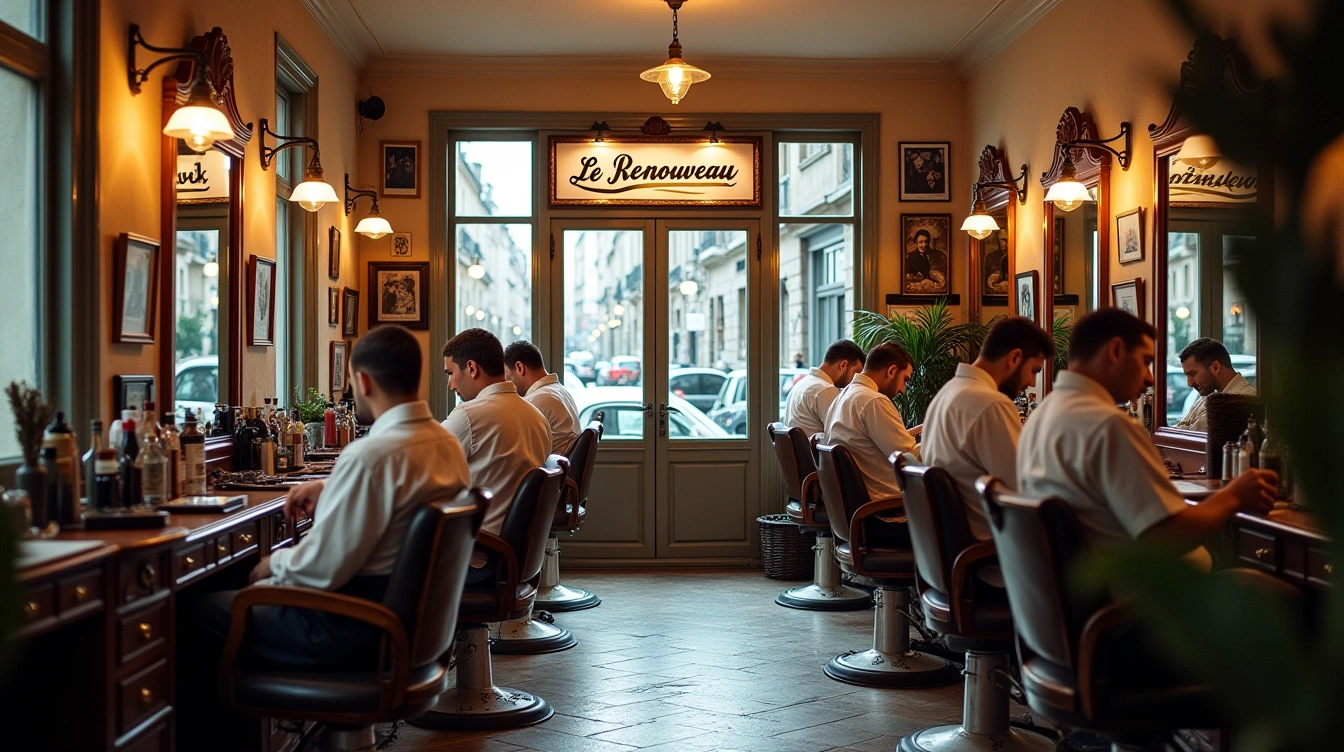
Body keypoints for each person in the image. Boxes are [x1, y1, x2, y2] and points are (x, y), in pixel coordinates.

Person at [177, 325, 470, 750]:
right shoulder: (445, 445)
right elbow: (398, 504)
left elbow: (323, 569)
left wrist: (271, 566)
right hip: (413, 631)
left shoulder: (371, 456)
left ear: (363, 382)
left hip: (354, 631)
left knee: (194, 613)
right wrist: (334, 490)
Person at [1018, 309, 1277, 569]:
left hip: (1076, 591)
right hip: (1136, 597)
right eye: (1145, 361)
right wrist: (1234, 495)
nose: (1150, 378)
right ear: (1116, 351)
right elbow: (1169, 535)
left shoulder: (1041, 417)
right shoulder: (1107, 426)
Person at [922, 317, 1053, 540]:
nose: (1032, 383)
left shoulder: (947, 392)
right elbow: (1023, 491)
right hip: (994, 546)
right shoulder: (991, 404)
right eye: (1034, 371)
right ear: (1014, 358)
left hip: (954, 544)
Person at [441, 328, 550, 581]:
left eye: (451, 374)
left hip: (477, 559)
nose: (450, 385)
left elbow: (418, 469)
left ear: (471, 367)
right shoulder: (537, 417)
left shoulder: (469, 415)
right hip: (516, 556)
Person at [823, 342, 921, 502]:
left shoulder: (843, 395)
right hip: (886, 504)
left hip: (855, 506)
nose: (903, 390)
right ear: (892, 371)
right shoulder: (873, 401)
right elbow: (907, 459)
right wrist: (940, 439)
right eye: (905, 379)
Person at [503, 339, 580, 455]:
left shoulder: (537, 401)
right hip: (558, 468)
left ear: (520, 367)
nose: (508, 383)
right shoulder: (560, 391)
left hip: (547, 470)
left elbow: (517, 452)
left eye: (508, 377)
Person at [784, 339, 866, 439]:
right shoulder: (825, 390)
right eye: (855, 373)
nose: (854, 380)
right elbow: (845, 437)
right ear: (843, 365)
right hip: (815, 454)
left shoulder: (802, 384)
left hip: (803, 453)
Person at [1175, 337, 1257, 430]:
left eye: (1193, 374)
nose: (1189, 383)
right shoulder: (1208, 394)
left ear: (1215, 368)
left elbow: (1189, 434)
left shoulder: (1247, 399)